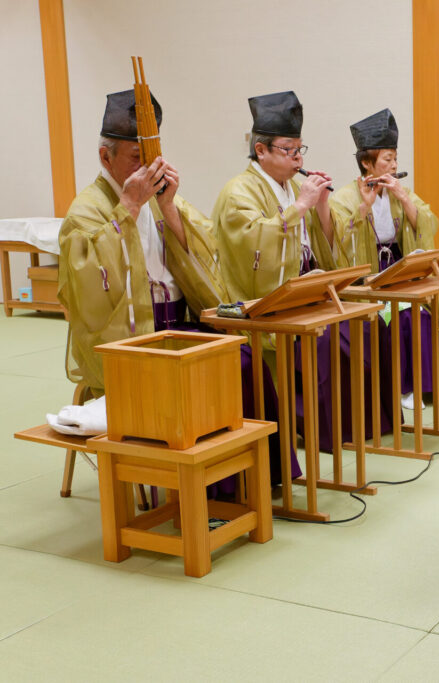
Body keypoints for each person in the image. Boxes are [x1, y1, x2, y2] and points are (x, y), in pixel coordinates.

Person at [58, 89, 287, 494]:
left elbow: (204, 248)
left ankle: (258, 479)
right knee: (211, 372)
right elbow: (88, 285)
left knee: (242, 358)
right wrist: (128, 207)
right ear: (105, 157)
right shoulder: (87, 209)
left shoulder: (157, 197)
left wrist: (167, 206)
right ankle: (211, 493)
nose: (147, 168)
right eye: (136, 158)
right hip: (131, 339)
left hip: (175, 325)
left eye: (152, 157)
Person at [212, 91, 394, 447]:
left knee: (362, 327)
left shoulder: (293, 186)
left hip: (304, 292)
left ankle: (360, 424)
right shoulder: (238, 192)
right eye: (288, 150)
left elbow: (326, 245)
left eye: (300, 149)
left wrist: (321, 205)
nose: (298, 158)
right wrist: (299, 206)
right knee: (330, 341)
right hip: (266, 300)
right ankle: (325, 429)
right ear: (260, 150)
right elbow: (253, 241)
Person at [330, 108, 439, 407]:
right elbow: (339, 243)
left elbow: (428, 223)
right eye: (387, 159)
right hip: (368, 277)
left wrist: (404, 199)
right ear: (366, 162)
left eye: (395, 158)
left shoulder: (401, 191)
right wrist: (364, 207)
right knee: (406, 314)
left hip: (400, 268)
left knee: (429, 311)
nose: (395, 165)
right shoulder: (344, 197)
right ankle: (406, 387)